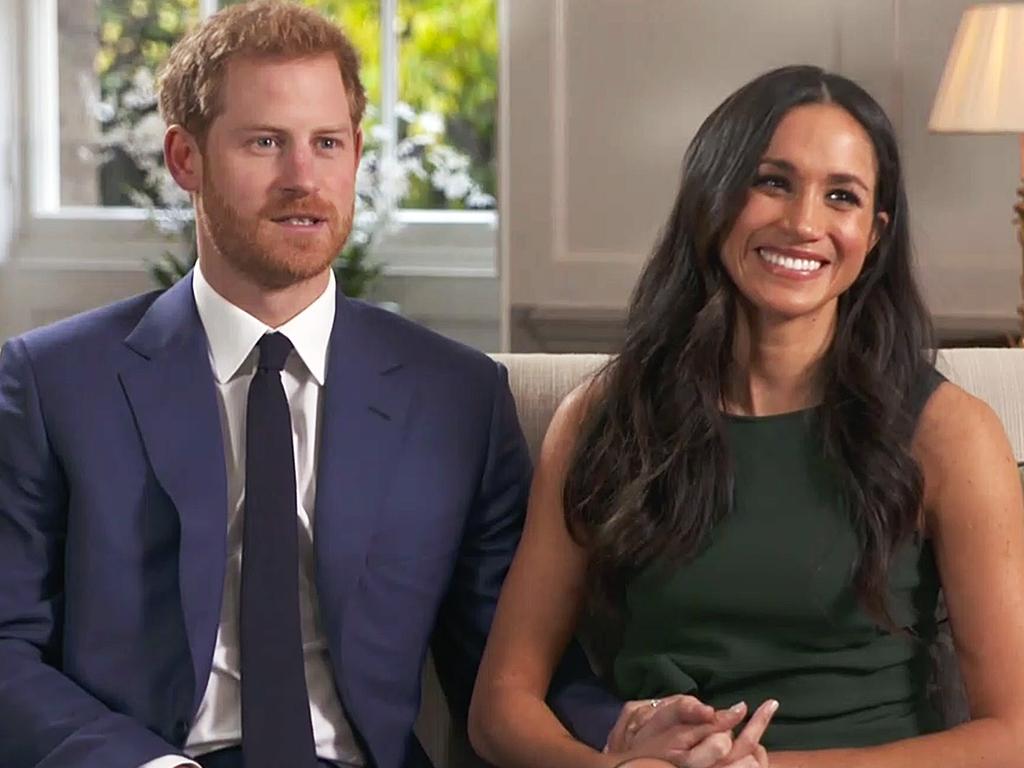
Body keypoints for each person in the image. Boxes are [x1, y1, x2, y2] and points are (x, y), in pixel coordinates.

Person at [0, 2, 649, 767]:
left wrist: (625, 733)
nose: (302, 178)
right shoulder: (53, 384)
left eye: (327, 143)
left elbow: (511, 659)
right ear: (186, 159)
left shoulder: (456, 398)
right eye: (266, 142)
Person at [468, 65, 1024, 768]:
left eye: (842, 196)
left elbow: (1014, 732)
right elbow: (502, 704)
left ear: (875, 233)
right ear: (714, 196)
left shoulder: (950, 434)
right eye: (772, 181)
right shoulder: (602, 419)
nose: (803, 223)